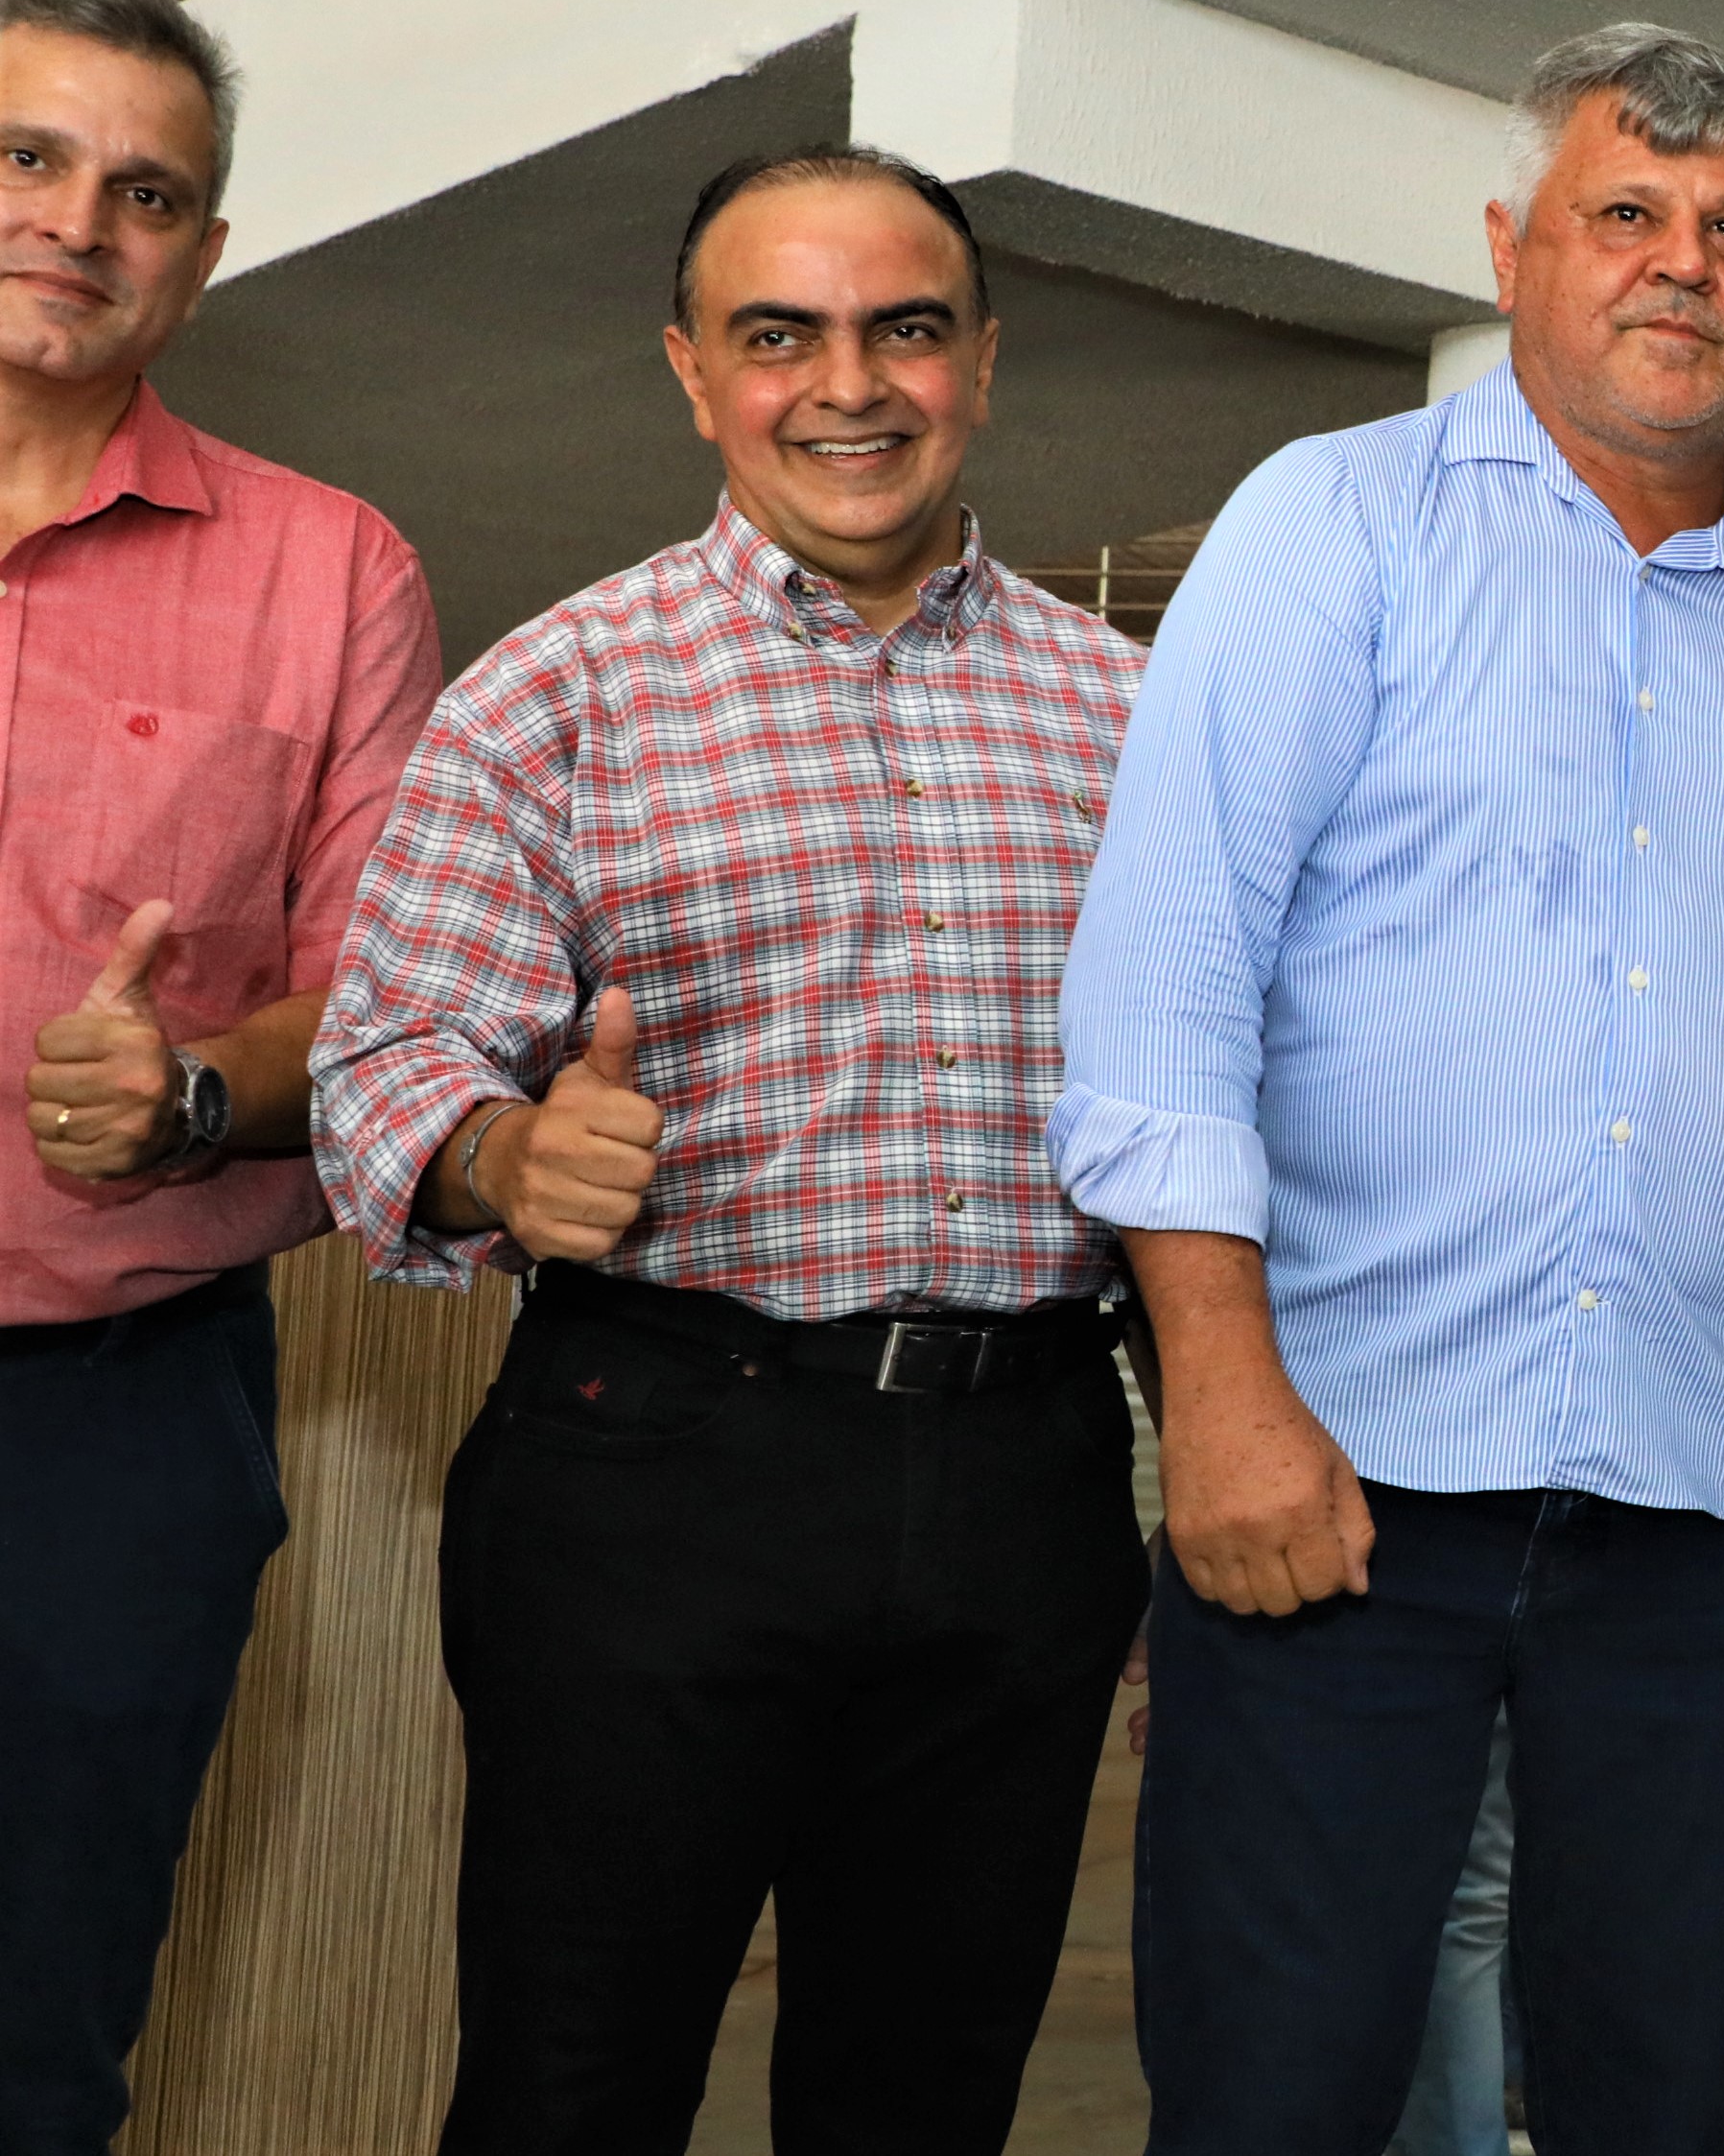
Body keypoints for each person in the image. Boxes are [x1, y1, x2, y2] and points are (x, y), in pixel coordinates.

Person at [1051, 22, 1724, 2154]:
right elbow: (1167, 975)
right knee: (1276, 2095)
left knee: (1665, 2099)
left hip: (1714, 1506)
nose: (1681, 264)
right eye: (1623, 213)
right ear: (1510, 246)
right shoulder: (1332, 524)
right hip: (1339, 1473)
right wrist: (1220, 1394)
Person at [308, 147, 1150, 2155]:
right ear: (694, 372)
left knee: (923, 2098)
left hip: (1026, 1474)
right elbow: (382, 1059)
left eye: (904, 329)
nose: (847, 384)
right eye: (780, 334)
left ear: (981, 361)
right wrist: (502, 1154)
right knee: (572, 2087)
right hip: (657, 1468)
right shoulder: (556, 693)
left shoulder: (1138, 710)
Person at [0, 0, 440, 2155]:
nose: (79, 222)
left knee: (31, 2032)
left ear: (204, 252)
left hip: (103, 1428)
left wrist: (183, 1095)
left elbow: (388, 1002)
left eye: (145, 191)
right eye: (27, 156)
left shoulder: (330, 571)